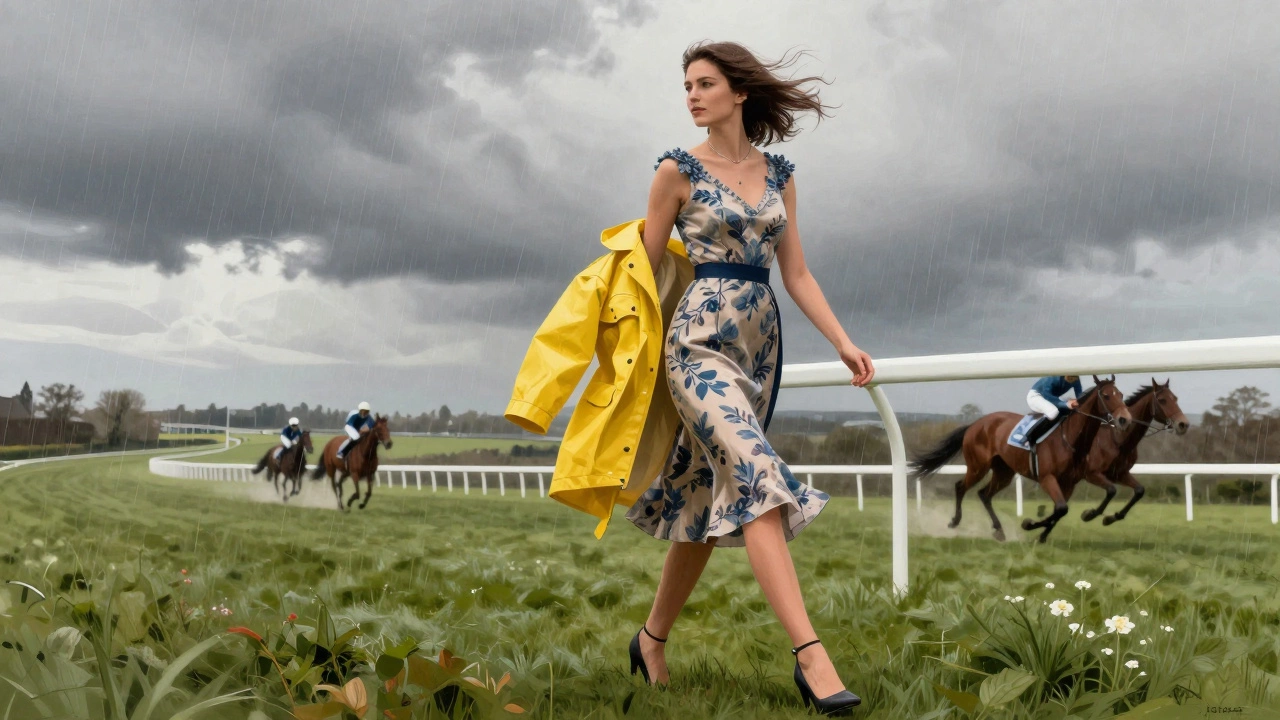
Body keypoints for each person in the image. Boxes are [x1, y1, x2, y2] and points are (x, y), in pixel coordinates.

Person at [622, 41, 873, 716]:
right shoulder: (675, 172)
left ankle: (649, 641)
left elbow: (796, 273)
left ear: (739, 92)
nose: (692, 96)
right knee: (759, 479)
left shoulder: (779, 174)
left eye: (705, 84)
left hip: (760, 353)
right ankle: (811, 658)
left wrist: (844, 342)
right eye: (687, 86)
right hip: (697, 347)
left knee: (707, 499)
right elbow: (643, 276)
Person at [1024, 375, 1084, 446]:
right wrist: (1066, 404)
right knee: (1053, 412)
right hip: (1036, 396)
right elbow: (1047, 396)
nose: (1073, 378)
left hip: (1051, 398)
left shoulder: (1076, 379)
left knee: (1069, 412)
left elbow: (1080, 397)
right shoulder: (1054, 377)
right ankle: (1029, 437)